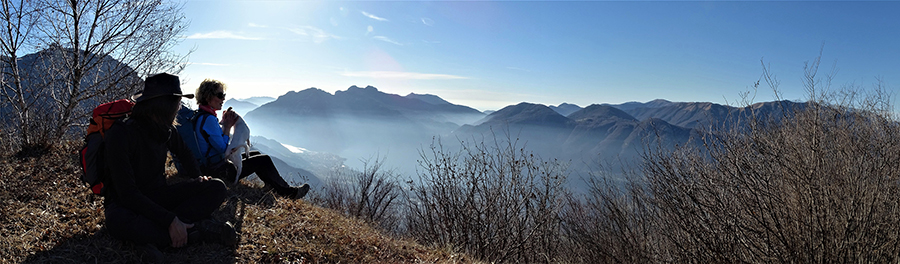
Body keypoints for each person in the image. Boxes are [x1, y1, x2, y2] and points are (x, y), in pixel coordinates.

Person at [103, 73, 237, 262]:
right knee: (119, 222)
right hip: (125, 205)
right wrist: (170, 220)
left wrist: (198, 177)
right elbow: (127, 194)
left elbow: (185, 153)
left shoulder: (166, 130)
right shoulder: (121, 133)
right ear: (165, 105)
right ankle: (195, 231)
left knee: (216, 187)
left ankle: (159, 237)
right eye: (177, 102)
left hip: (158, 196)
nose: (179, 107)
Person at [193, 78, 310, 198]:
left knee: (256, 154)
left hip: (210, 165)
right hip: (218, 170)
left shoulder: (201, 115)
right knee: (263, 160)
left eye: (224, 95)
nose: (223, 98)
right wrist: (227, 127)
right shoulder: (209, 120)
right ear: (208, 97)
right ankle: (289, 193)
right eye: (220, 95)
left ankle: (271, 185)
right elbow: (222, 149)